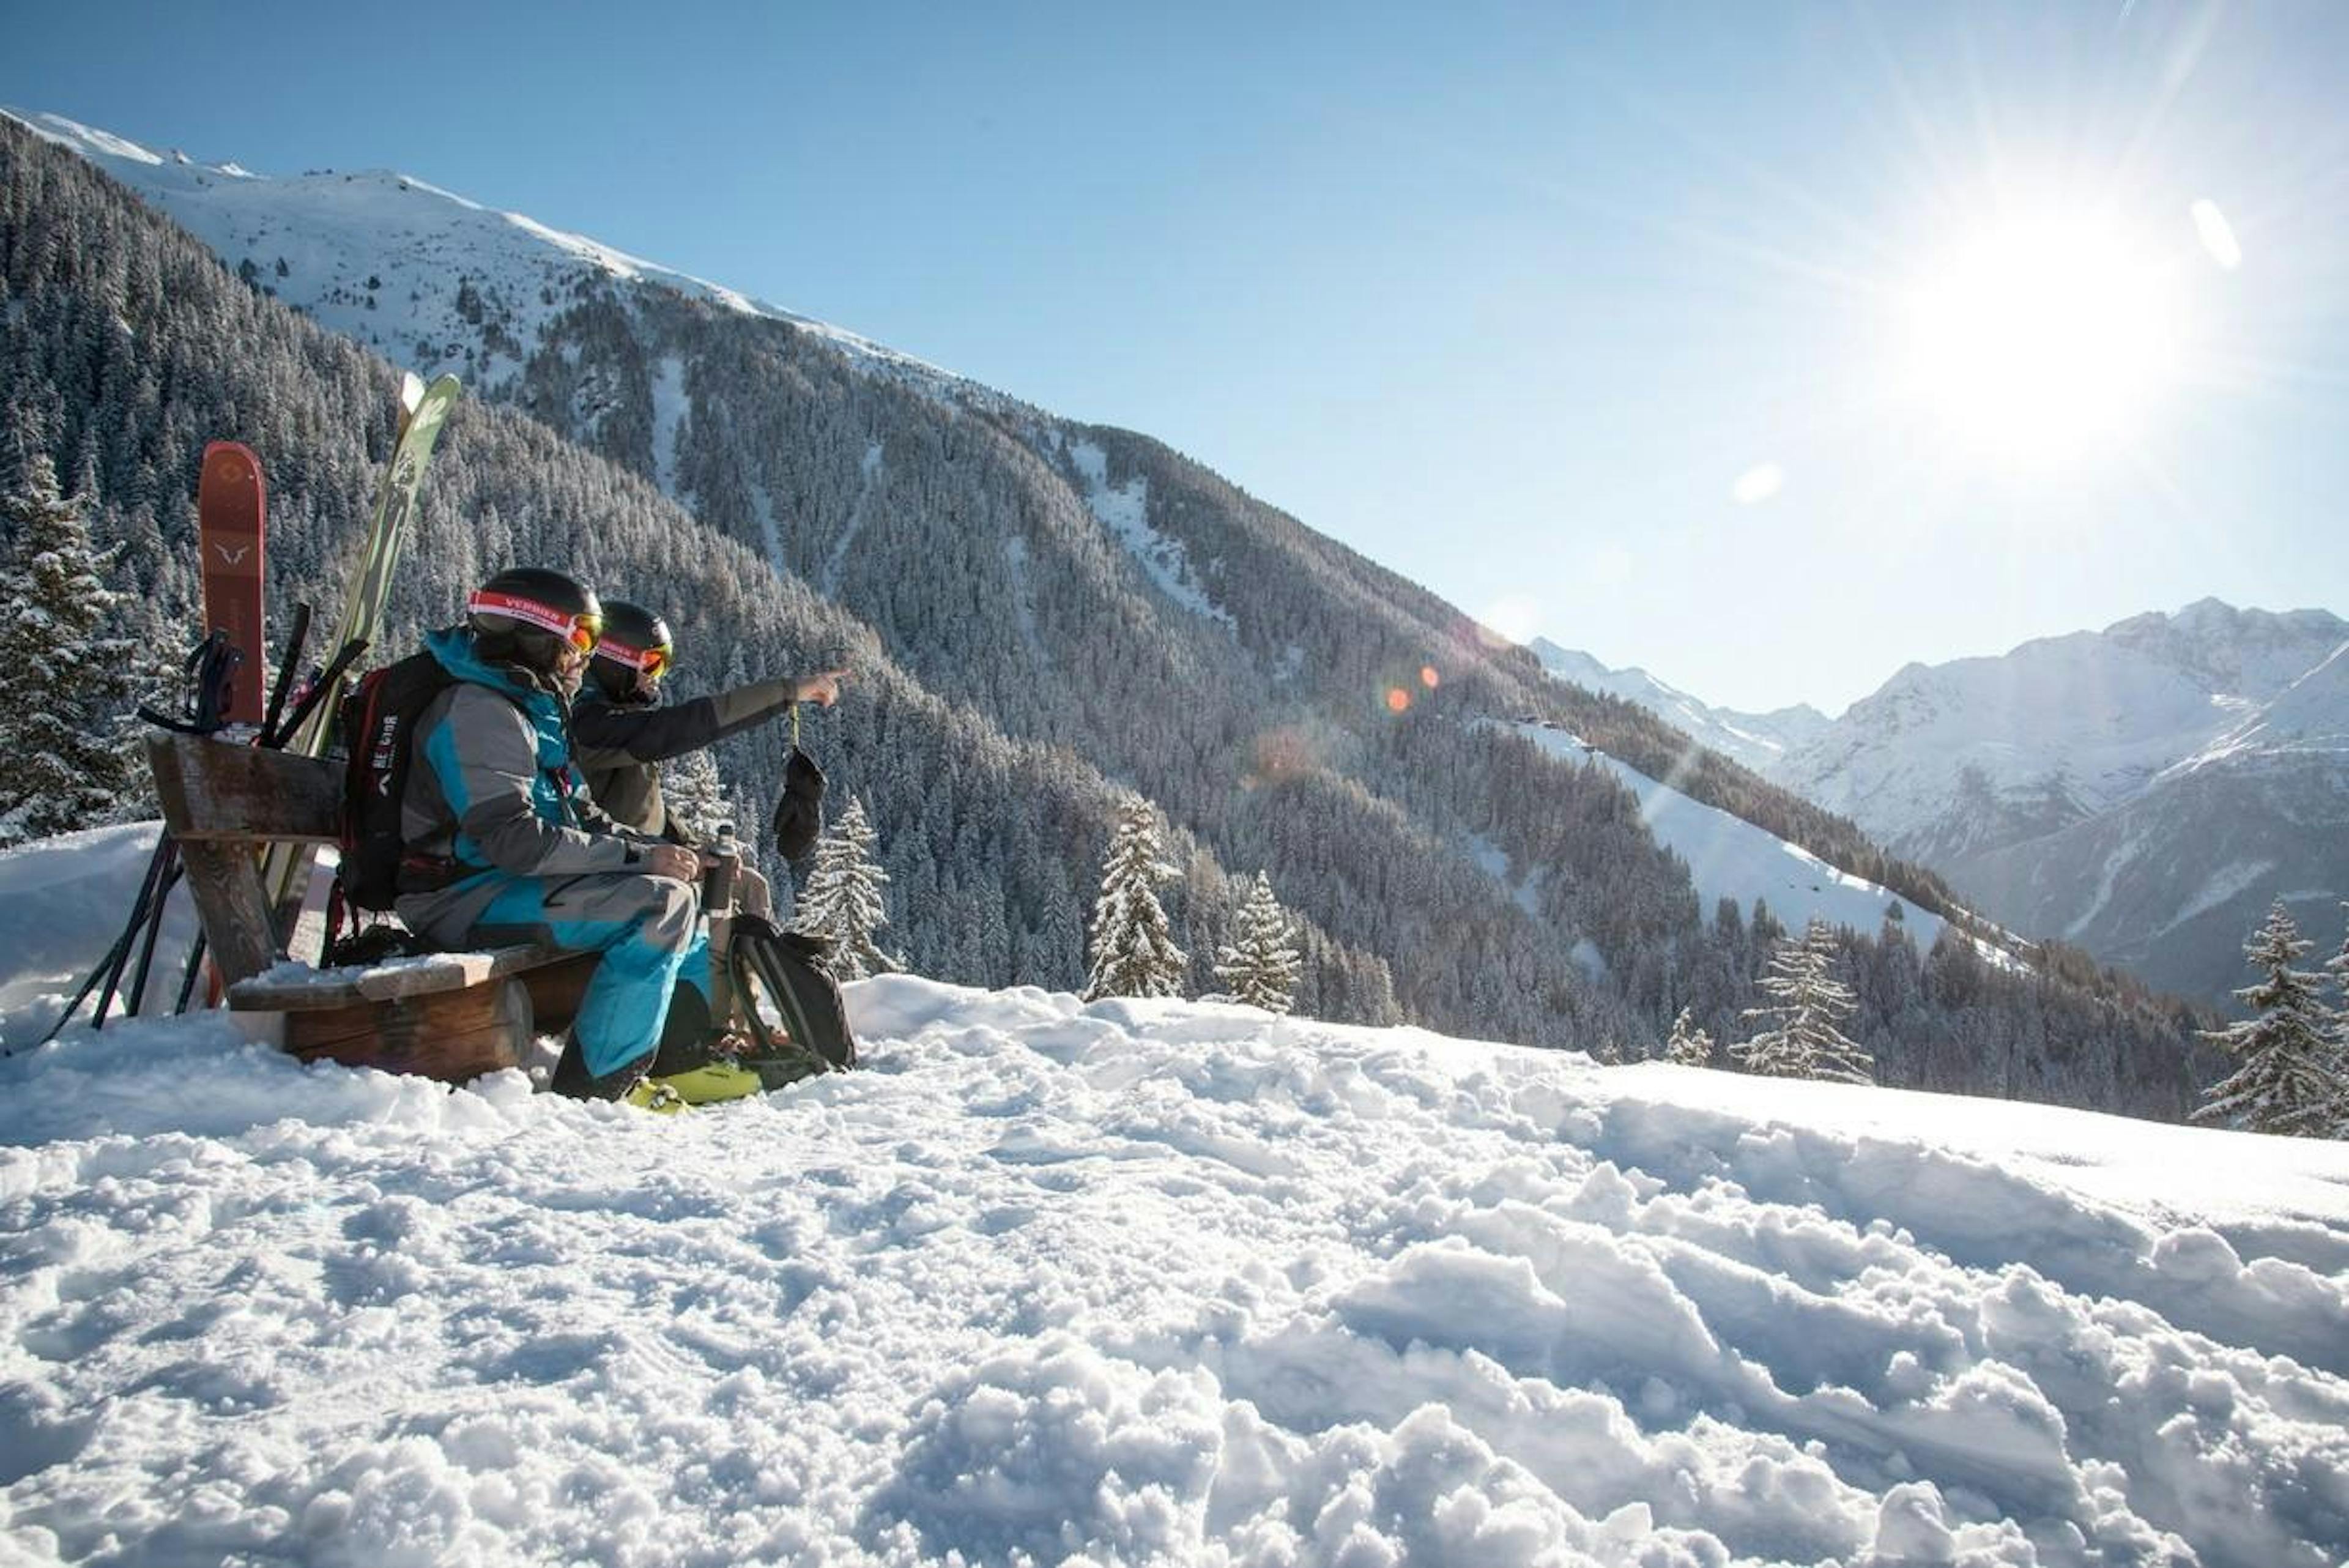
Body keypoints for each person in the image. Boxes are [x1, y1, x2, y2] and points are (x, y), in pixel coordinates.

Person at [392, 567, 756, 1108]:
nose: (586, 657)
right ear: (533, 634)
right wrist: (640, 858)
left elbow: (579, 812)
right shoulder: (480, 711)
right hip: (461, 895)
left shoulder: (529, 708)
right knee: (658, 905)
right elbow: (513, 840)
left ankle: (684, 1055)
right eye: (580, 638)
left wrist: (664, 852)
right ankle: (604, 1086)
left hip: (505, 884)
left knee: (688, 892)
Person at [570, 597, 844, 928]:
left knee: (750, 885)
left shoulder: (620, 724)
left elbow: (642, 803)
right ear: (615, 660)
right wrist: (789, 692)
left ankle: (752, 976)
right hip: (609, 868)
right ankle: (722, 975)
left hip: (642, 857)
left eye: (665, 665)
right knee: (699, 907)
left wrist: (692, 847)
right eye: (652, 663)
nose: (658, 677)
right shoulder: (587, 724)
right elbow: (690, 724)